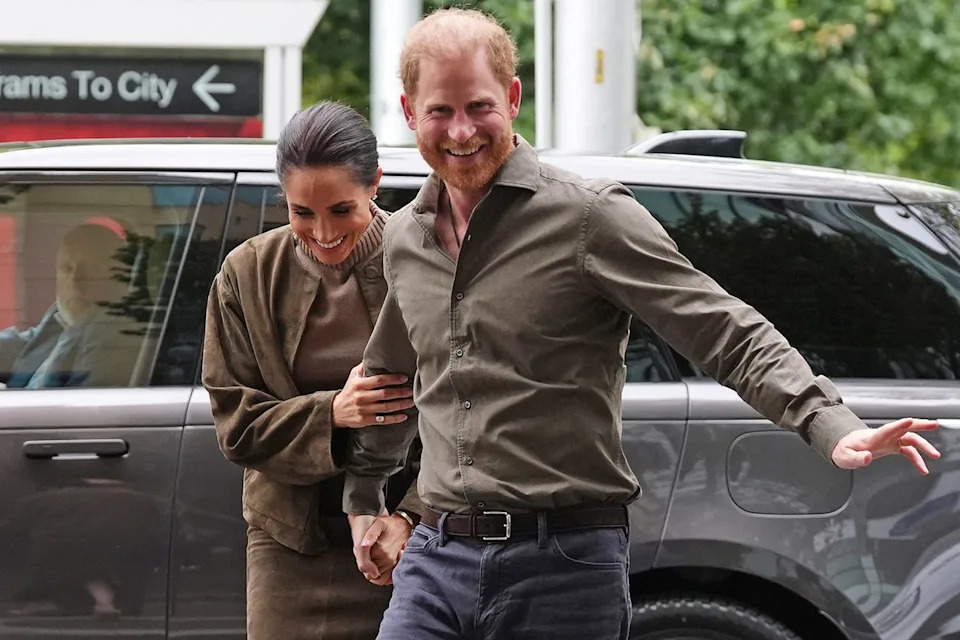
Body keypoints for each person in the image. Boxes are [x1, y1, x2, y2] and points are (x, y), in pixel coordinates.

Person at [342, 8, 942, 640]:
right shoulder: (404, 238)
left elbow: (722, 328)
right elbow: (389, 380)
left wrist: (827, 422)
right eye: (440, 110)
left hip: (562, 566)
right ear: (409, 112)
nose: (461, 130)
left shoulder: (588, 218)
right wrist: (363, 499)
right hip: (437, 559)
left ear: (513, 99)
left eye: (479, 106)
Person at [201, 102, 422, 640]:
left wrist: (411, 518)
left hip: (411, 534)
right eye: (302, 212)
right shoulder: (247, 273)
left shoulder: (425, 263)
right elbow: (238, 426)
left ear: (375, 184)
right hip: (289, 539)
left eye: (342, 210)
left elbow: (469, 415)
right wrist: (335, 413)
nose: (323, 232)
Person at [0, 223, 133, 389]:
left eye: (91, 268)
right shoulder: (62, 317)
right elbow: (27, 343)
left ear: (115, 276)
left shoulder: (111, 331)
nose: (74, 280)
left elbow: (86, 402)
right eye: (66, 268)